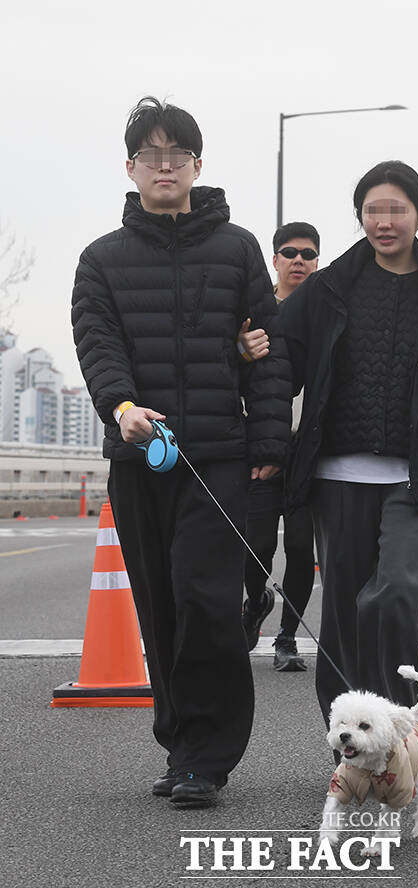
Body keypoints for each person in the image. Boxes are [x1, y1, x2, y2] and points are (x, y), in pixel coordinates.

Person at [71, 97, 291, 808]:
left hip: (218, 455)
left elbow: (269, 352)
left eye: (178, 155)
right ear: (130, 167)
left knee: (205, 599)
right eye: (151, 155)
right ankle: (180, 745)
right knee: (160, 605)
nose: (164, 166)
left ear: (197, 165)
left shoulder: (237, 249)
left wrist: (269, 442)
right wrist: (122, 409)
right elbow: (98, 346)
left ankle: (207, 756)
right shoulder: (100, 259)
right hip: (139, 457)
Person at [279, 160, 418, 722]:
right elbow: (279, 362)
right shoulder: (327, 288)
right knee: (342, 616)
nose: (383, 222)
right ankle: (349, 739)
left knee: (398, 593)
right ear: (360, 216)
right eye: (372, 210)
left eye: (395, 210)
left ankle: (395, 725)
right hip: (337, 477)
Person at [238, 222, 320, 671]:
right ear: (274, 260)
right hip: (263, 452)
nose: (298, 260)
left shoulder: (327, 314)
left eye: (308, 254)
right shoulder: (254, 313)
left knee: (303, 551)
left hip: (310, 455)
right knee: (256, 548)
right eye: (289, 252)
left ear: (317, 262)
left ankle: (287, 638)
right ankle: (255, 602)